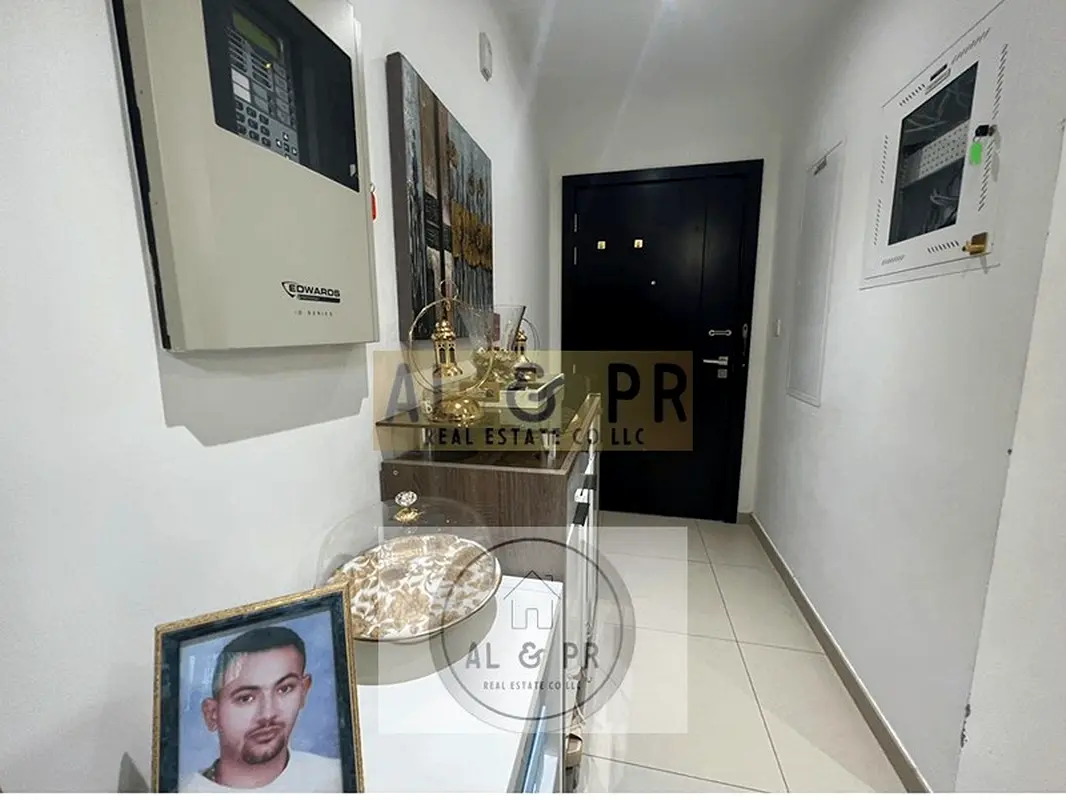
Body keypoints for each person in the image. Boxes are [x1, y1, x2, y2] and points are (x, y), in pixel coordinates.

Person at [180, 626, 342, 792]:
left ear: (303, 692)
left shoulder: (335, 779)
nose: (268, 714)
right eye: (245, 698)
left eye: (284, 689)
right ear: (212, 714)